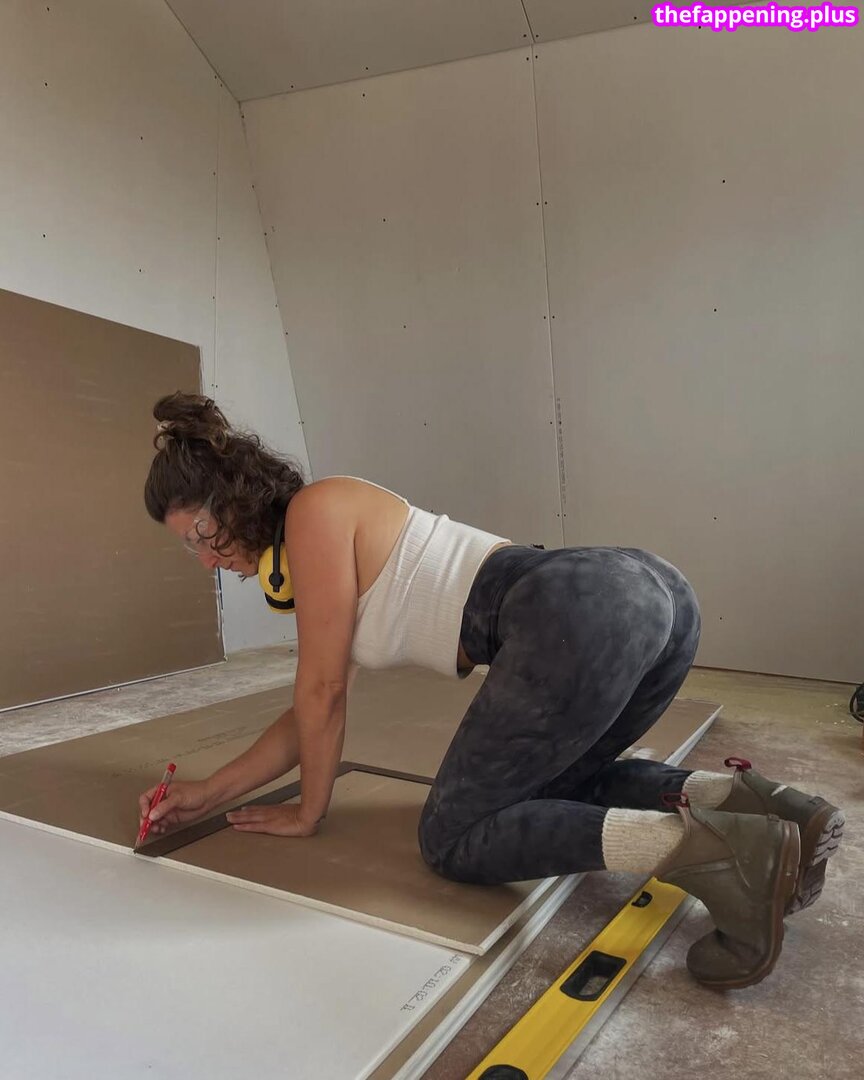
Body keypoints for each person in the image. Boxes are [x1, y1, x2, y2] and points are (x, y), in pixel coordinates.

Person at [140, 392, 844, 990]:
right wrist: (208, 793)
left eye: (202, 533)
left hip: (573, 610)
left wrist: (309, 811)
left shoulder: (313, 512)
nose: (205, 559)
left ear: (237, 496)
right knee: (562, 786)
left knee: (453, 839)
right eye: (187, 547)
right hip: (646, 595)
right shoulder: (321, 547)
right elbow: (308, 713)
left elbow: (322, 692)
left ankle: (722, 855)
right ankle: (760, 806)